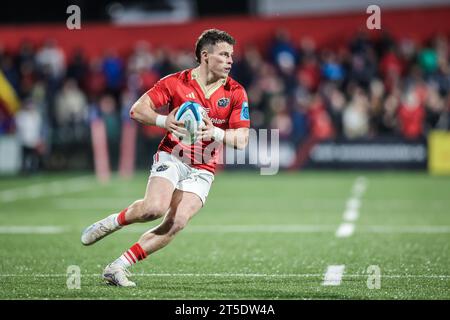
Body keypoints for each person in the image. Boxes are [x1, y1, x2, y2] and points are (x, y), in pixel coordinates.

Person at [81, 29, 250, 287]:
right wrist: (164, 120)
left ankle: (118, 267)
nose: (230, 60)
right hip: (173, 155)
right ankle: (112, 222)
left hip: (204, 166)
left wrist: (215, 131)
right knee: (153, 209)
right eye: (224, 54)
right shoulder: (175, 82)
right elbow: (137, 110)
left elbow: (242, 139)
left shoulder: (235, 91)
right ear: (205, 56)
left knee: (177, 221)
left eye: (231, 55)